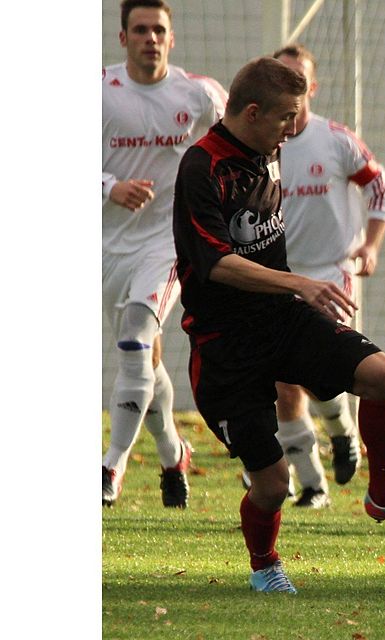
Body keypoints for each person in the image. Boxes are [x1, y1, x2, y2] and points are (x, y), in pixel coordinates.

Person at [172, 56, 385, 593]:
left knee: (383, 376)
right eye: (285, 117)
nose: (292, 129)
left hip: (282, 319)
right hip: (224, 347)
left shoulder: (269, 150)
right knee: (272, 483)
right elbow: (216, 264)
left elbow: (371, 189)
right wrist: (300, 282)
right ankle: (265, 566)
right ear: (252, 113)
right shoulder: (201, 167)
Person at [256, 44, 385, 509]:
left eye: (298, 79)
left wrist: (370, 246)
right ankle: (312, 485)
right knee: (283, 385)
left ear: (311, 87)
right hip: (281, 278)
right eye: (281, 78)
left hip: (332, 274)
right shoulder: (257, 145)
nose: (290, 88)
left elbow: (381, 189)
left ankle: (343, 432)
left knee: (326, 378)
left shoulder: (336, 140)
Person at [102, 0, 227, 508]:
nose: (150, 38)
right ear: (122, 37)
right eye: (140, 30)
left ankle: (109, 468)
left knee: (135, 339)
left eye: (159, 30)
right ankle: (173, 451)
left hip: (168, 242)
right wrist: (109, 186)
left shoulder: (198, 93)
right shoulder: (95, 92)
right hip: (108, 246)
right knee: (145, 362)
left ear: (171, 39)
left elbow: (240, 144)